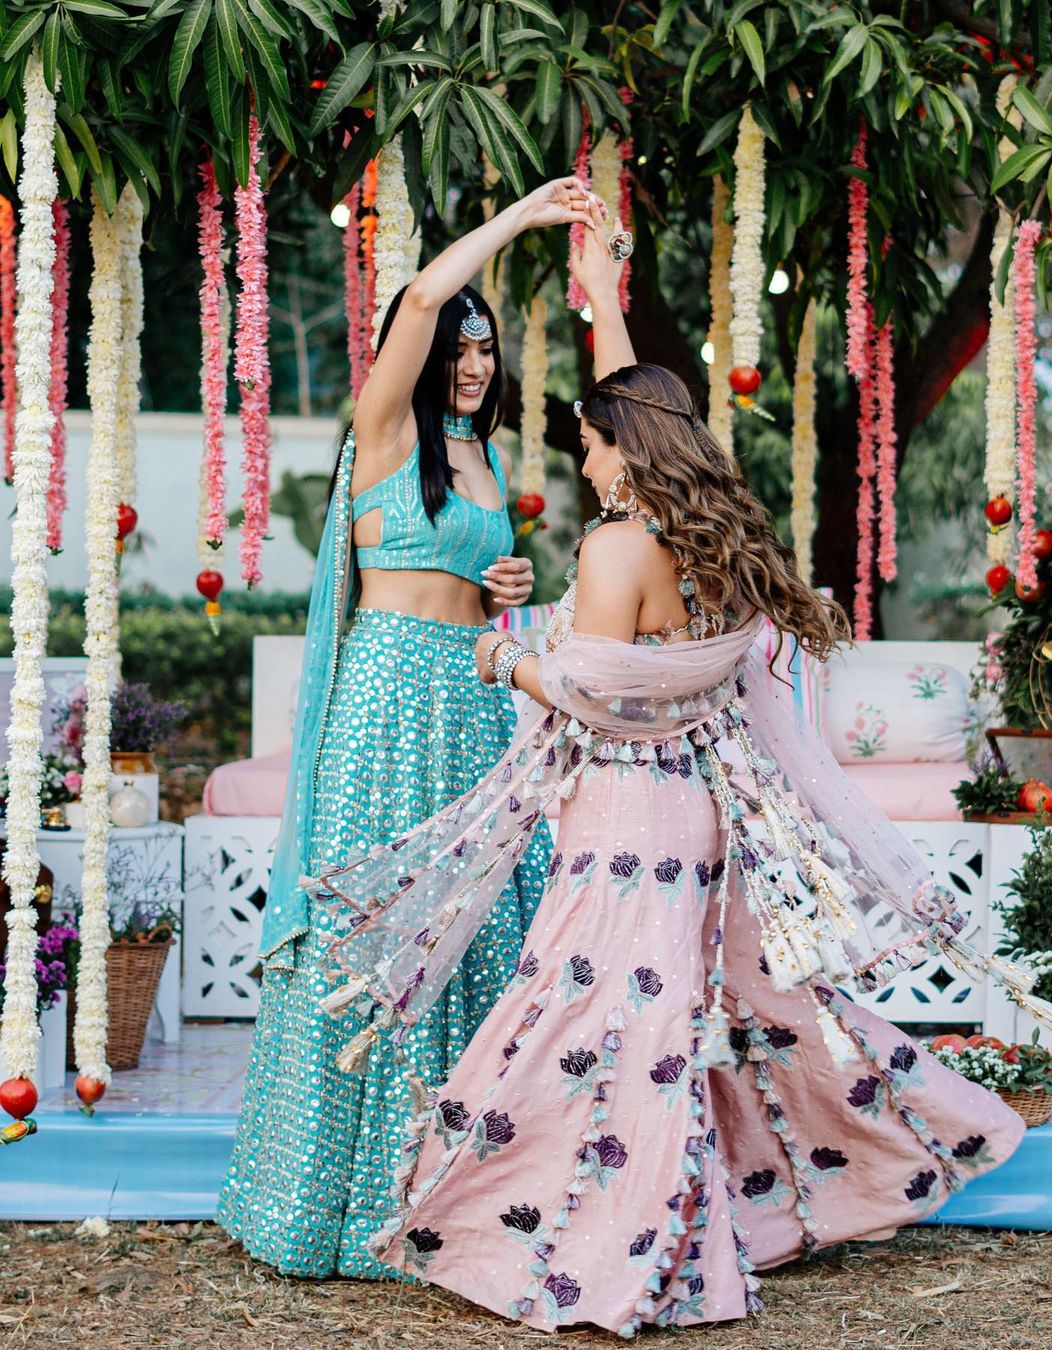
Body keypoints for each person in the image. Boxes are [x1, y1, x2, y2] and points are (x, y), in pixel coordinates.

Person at [306, 204, 1044, 1333]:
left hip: (623, 813)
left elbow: (601, 692)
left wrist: (511, 656)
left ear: (620, 452)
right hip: (695, 814)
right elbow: (640, 447)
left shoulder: (615, 547)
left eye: (592, 442)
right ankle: (739, 1196)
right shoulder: (719, 538)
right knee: (696, 1017)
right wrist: (599, 296)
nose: (583, 455)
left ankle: (633, 1243)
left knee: (606, 1028)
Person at [217, 178, 599, 1278]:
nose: (473, 364)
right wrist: (522, 220)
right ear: (422, 353)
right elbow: (426, 292)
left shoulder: (485, 459)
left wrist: (510, 584)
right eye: (458, 347)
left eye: (486, 350)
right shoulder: (385, 433)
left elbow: (486, 596)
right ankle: (329, 1212)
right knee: (377, 926)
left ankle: (459, 1205)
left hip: (471, 696)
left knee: (474, 924)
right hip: (387, 696)